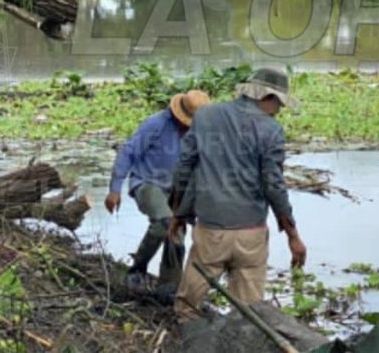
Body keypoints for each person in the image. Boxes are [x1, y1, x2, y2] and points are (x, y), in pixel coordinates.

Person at [169, 68, 307, 320]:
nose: (279, 111)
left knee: (187, 308)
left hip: (211, 230)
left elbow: (186, 168)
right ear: (268, 97)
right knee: (250, 316)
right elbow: (273, 185)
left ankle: (188, 339)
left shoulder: (205, 117)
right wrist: (292, 235)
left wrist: (178, 214)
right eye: (278, 104)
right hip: (250, 233)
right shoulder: (271, 130)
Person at [105, 89, 211, 290]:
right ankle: (137, 270)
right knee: (164, 222)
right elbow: (128, 152)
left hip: (177, 189)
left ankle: (169, 286)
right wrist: (115, 189)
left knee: (176, 231)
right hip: (147, 183)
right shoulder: (156, 124)